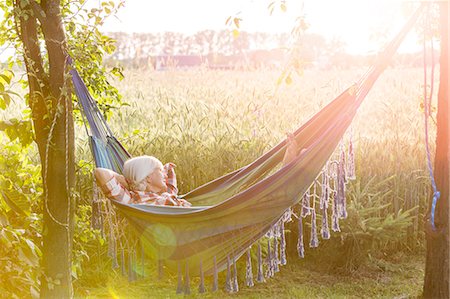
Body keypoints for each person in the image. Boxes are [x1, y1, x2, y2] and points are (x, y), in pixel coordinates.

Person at [94, 133, 304, 207]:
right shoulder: (133, 200)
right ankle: (289, 168)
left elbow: (171, 194)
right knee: (259, 200)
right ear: (147, 178)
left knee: (249, 190)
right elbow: (101, 174)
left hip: (203, 216)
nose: (163, 174)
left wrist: (167, 175)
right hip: (206, 220)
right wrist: (128, 180)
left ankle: (287, 168)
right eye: (159, 171)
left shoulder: (160, 195)